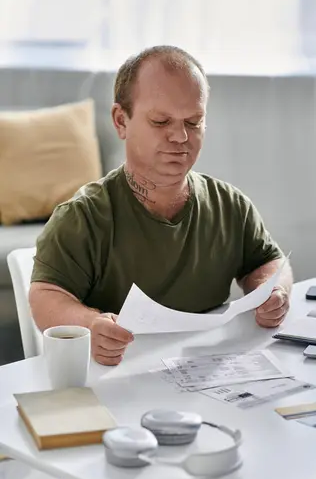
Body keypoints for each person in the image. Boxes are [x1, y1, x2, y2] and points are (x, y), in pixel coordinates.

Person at [30, 45, 293, 366]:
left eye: (194, 122)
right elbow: (46, 295)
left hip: (203, 377)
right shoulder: (82, 217)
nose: (180, 136)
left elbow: (268, 261)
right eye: (161, 121)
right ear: (120, 120)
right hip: (117, 379)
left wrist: (273, 292)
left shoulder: (231, 205)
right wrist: (90, 325)